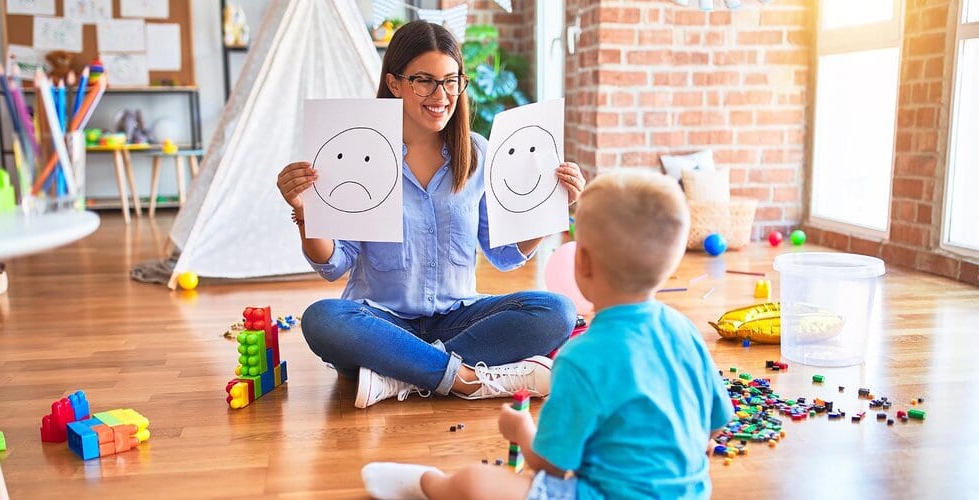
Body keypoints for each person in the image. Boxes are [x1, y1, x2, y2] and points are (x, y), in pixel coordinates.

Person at [361, 170, 734, 499]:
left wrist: (522, 430)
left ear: (582, 262)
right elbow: (717, 423)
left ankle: (432, 485)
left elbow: (550, 467)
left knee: (475, 483)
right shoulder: (685, 332)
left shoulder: (581, 357)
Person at [275, 20, 585, 409]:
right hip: (380, 322)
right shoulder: (361, 152)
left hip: (457, 317)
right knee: (323, 319)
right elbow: (334, 264)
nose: (442, 95)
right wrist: (305, 212)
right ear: (394, 83)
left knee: (557, 311)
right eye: (425, 81)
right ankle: (465, 378)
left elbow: (504, 254)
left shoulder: (477, 154)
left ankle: (400, 375)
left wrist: (550, 205)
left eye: (452, 80)